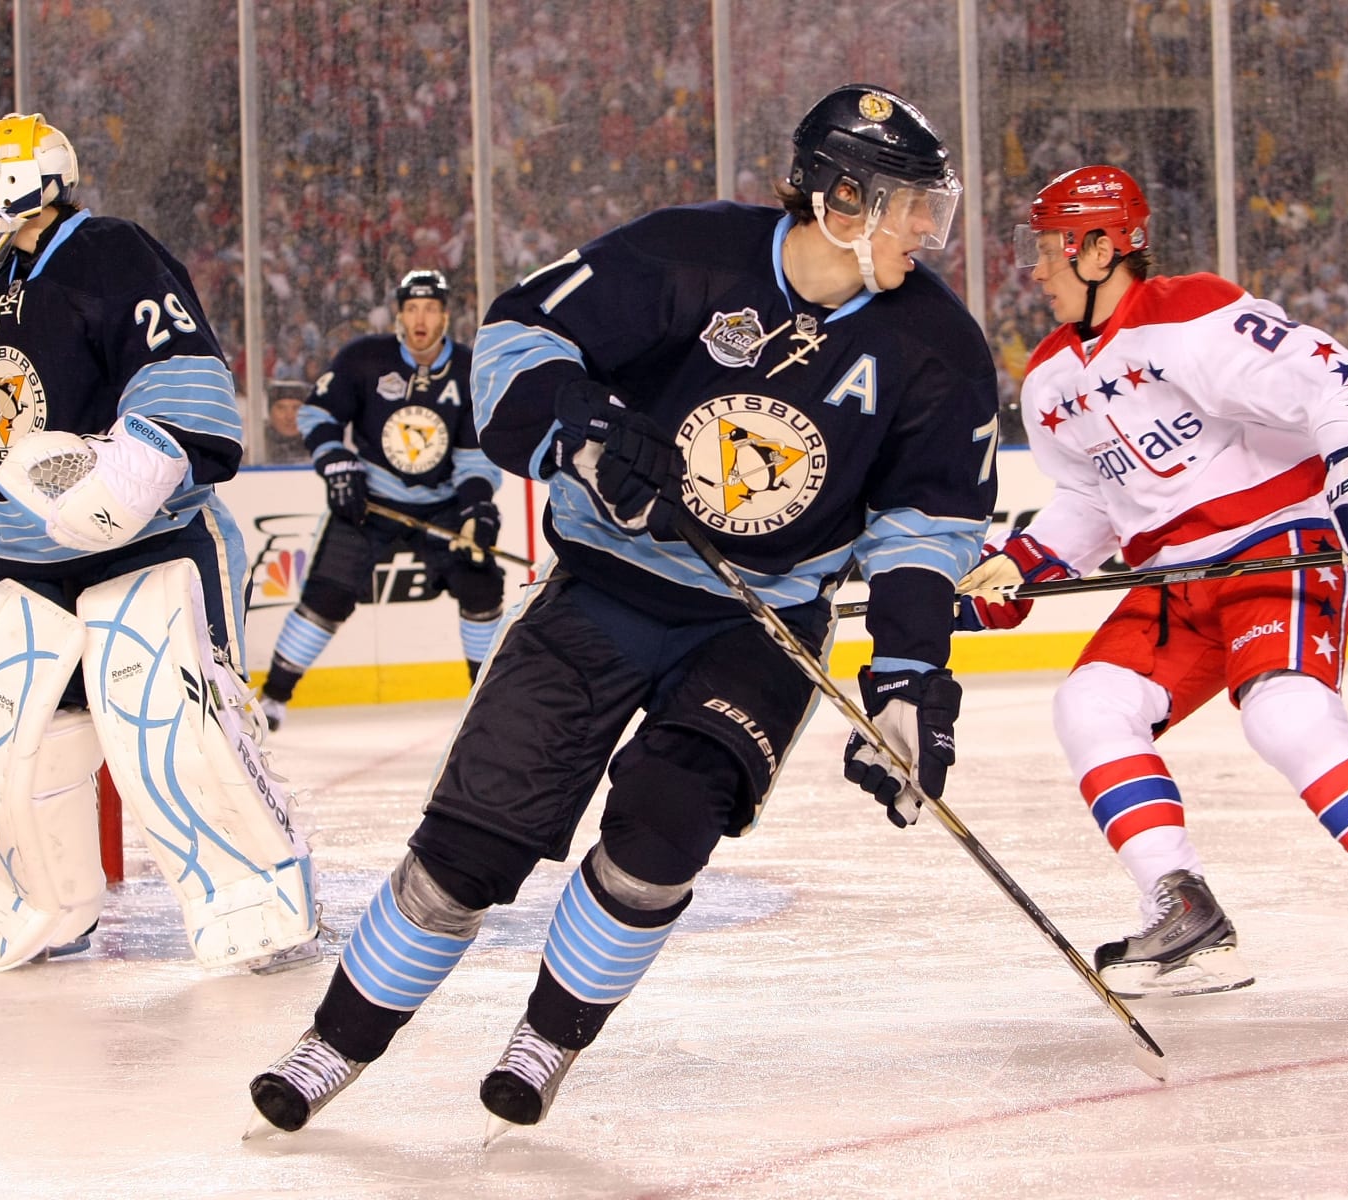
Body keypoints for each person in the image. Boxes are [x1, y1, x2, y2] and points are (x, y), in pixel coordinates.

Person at [244, 84, 999, 1138]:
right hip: (603, 591)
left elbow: (928, 532)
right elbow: (513, 338)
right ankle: (336, 1043)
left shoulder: (940, 350)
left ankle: (546, 1040)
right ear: (839, 199)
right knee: (471, 845)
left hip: (758, 630)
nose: (930, 229)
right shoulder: (683, 253)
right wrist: (585, 429)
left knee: (662, 833)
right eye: (912, 205)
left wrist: (913, 680)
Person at [960, 163, 1348, 999]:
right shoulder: (1048, 381)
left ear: (1102, 248)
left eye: (1050, 250)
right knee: (1090, 704)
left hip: (1276, 548)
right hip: (1177, 581)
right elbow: (1089, 503)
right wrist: (1024, 564)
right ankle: (1186, 916)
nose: (1035, 270)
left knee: (1286, 713)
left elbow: (1335, 379)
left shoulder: (1193, 315)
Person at [0, 114, 318, 974]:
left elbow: (180, 369)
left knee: (168, 723)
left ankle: (254, 891)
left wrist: (139, 463)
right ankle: (40, 899)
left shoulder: (110, 251)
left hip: (143, 546)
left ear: (22, 186)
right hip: (30, 563)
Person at [256, 268, 504, 728]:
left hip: (444, 503)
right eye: (412, 308)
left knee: (481, 585)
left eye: (430, 308)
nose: (420, 318)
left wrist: (477, 508)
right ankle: (271, 700)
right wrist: (336, 463)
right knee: (327, 595)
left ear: (446, 315)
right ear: (399, 314)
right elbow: (318, 414)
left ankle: (485, 706)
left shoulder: (469, 369)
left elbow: (474, 456)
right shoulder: (365, 359)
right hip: (370, 502)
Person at [263, 380, 310, 464]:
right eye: (281, 408)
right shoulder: (256, 451)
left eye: (296, 408)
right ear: (269, 412)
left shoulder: (320, 447)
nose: (289, 417)